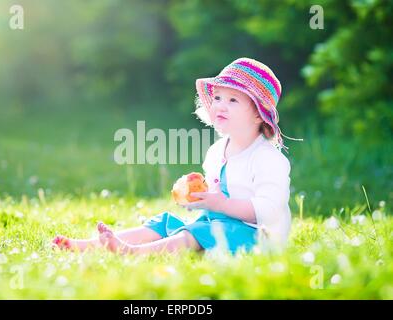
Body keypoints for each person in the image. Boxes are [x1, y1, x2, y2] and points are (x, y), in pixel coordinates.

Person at [53, 57, 293, 255]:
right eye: (218, 98)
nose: (220, 105)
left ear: (259, 115)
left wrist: (223, 204)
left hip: (258, 237)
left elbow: (270, 210)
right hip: (216, 224)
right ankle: (92, 245)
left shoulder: (267, 159)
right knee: (165, 222)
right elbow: (215, 198)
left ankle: (133, 252)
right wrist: (198, 197)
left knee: (197, 232)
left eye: (233, 100)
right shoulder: (216, 151)